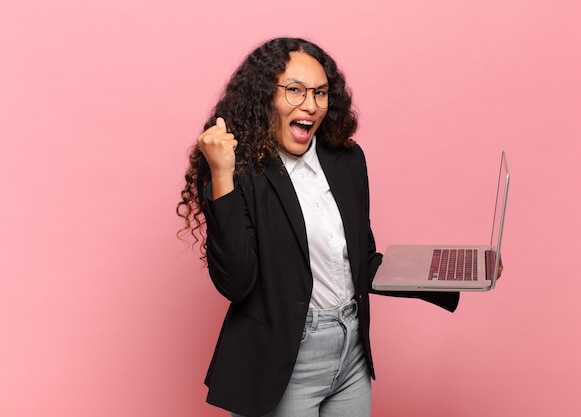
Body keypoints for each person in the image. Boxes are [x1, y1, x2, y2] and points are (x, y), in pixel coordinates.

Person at [177, 37, 468, 417]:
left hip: (351, 351)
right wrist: (220, 173)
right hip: (284, 357)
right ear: (265, 95)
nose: (311, 106)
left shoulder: (345, 159)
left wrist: (450, 272)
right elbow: (237, 281)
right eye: (295, 91)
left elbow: (361, 261)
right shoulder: (238, 170)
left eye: (320, 93)